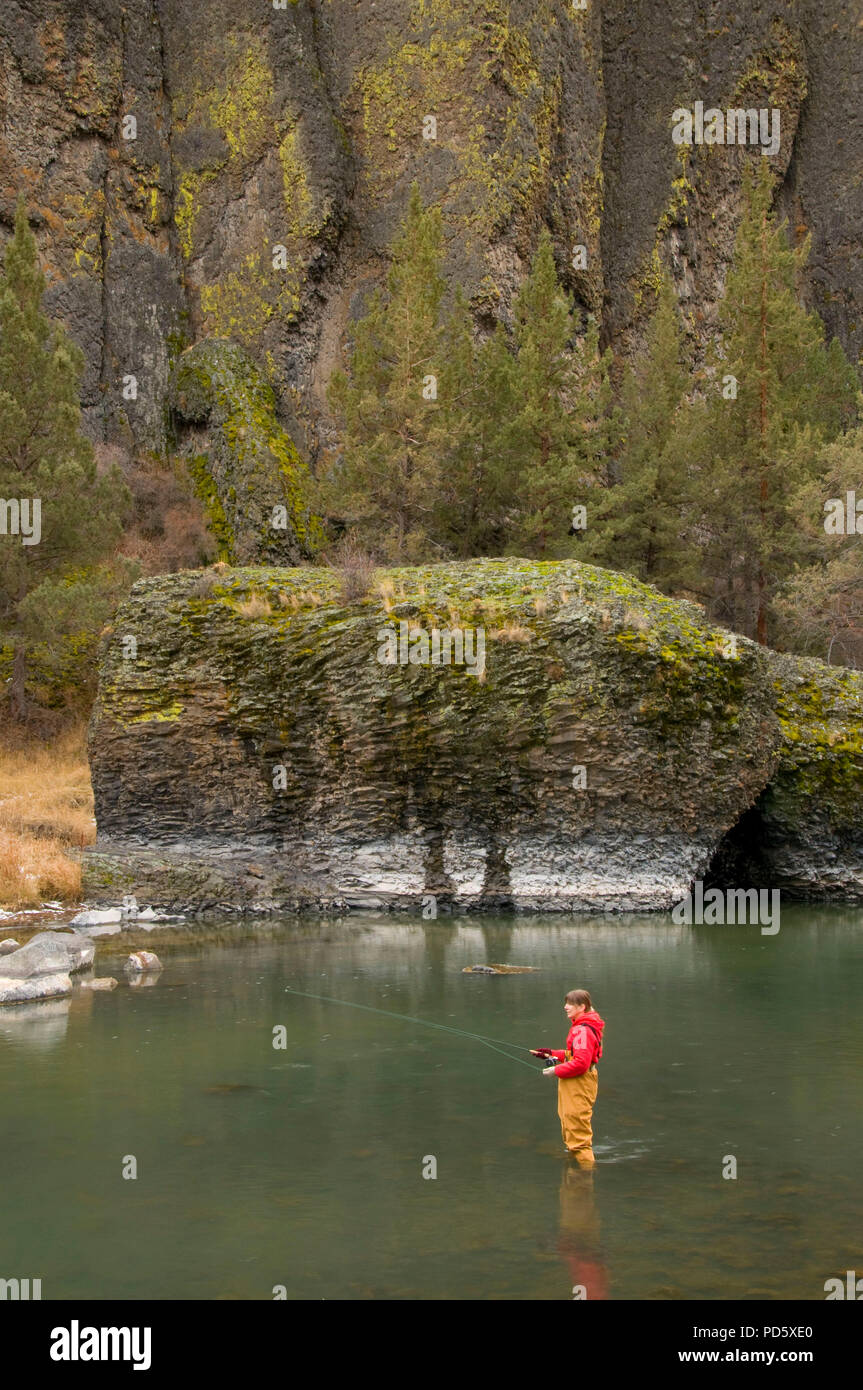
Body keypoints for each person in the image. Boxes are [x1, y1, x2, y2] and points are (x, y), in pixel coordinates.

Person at [531, 989, 605, 1165]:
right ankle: (576, 1171)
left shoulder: (583, 1030)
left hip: (579, 1082)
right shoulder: (582, 1026)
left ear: (582, 1006)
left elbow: (581, 1063)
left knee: (577, 1132)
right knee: (569, 1125)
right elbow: (574, 1054)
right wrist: (551, 1054)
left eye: (570, 1004)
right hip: (575, 1081)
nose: (565, 1007)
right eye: (566, 1003)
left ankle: (585, 1178)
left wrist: (555, 1071)